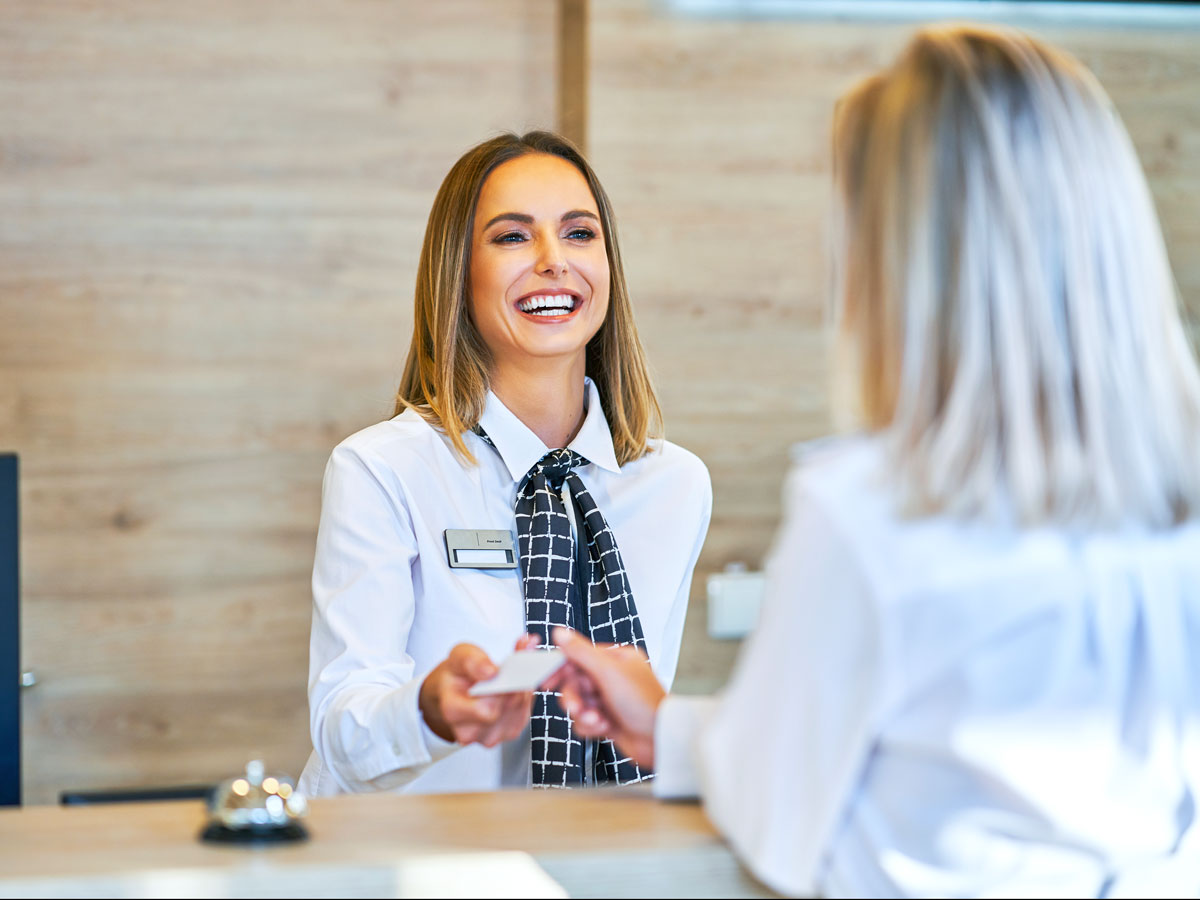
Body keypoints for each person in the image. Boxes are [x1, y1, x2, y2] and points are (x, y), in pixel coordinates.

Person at [547, 23, 1200, 898]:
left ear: (905, 256)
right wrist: (669, 728)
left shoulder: (870, 510)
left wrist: (674, 730)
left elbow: (776, 823)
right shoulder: (1173, 505)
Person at [298, 131, 712, 796]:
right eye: (513, 237)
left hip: (605, 848)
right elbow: (341, 730)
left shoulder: (676, 485)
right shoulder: (381, 469)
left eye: (579, 234)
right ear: (459, 273)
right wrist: (428, 713)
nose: (554, 261)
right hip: (412, 850)